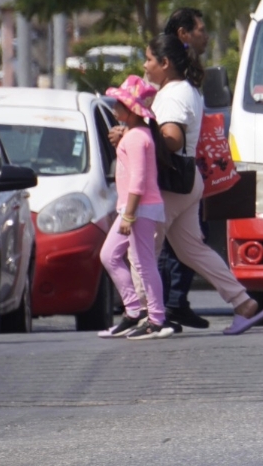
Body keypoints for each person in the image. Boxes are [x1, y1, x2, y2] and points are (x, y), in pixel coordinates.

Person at [144, 34, 263, 334]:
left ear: (165, 63)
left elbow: (172, 139)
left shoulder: (173, 95)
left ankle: (146, 315)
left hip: (171, 184)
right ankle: (243, 302)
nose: (145, 66)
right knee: (192, 250)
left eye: (149, 59)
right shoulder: (184, 89)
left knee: (142, 248)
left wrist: (137, 136)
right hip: (188, 181)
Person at [97, 76, 173, 340]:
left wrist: (129, 214)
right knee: (111, 256)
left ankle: (155, 318)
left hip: (139, 209)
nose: (115, 108)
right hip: (136, 209)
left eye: (119, 104)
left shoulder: (136, 137)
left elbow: (139, 180)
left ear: (131, 110)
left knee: (142, 263)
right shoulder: (135, 135)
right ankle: (135, 312)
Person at [160, 7, 210, 331]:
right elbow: (171, 136)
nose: (205, 35)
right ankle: (162, 306)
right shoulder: (174, 84)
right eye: (200, 29)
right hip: (175, 172)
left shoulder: (187, 77)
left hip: (189, 170)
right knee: (162, 242)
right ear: (183, 34)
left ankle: (172, 303)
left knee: (186, 241)